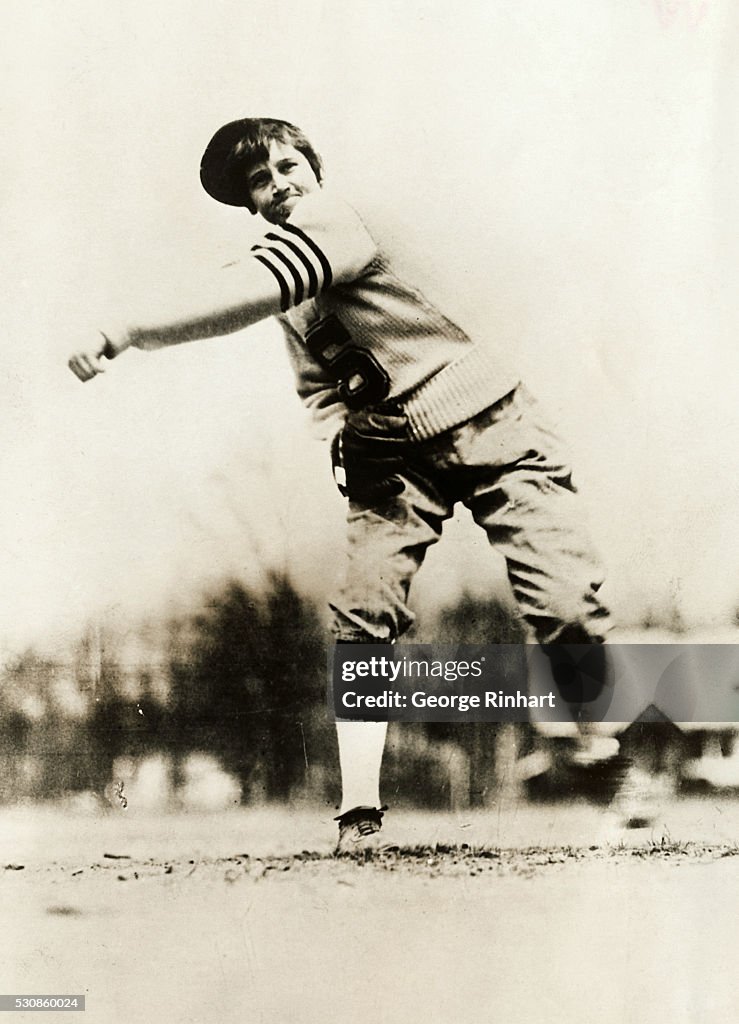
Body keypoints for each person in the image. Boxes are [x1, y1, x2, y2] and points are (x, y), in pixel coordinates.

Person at [69, 117, 619, 854]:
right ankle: (359, 810)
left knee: (561, 600)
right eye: (261, 180)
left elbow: (244, 294)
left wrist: (127, 328)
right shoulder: (289, 292)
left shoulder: (338, 220)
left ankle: (597, 757)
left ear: (314, 169)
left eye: (288, 165)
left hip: (492, 423)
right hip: (394, 456)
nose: (280, 183)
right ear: (250, 204)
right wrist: (341, 445)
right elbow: (320, 395)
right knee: (361, 617)